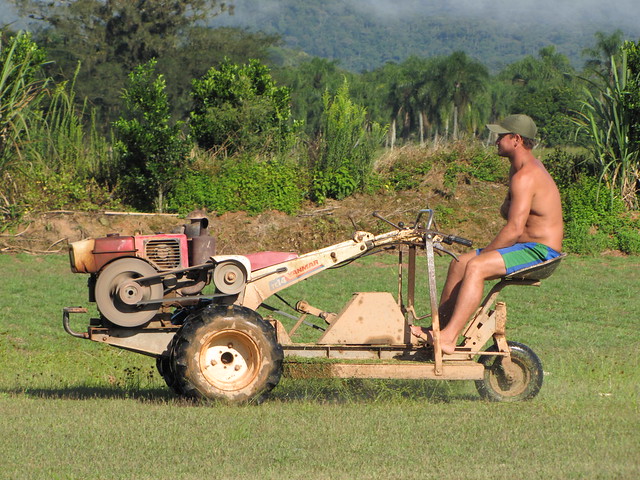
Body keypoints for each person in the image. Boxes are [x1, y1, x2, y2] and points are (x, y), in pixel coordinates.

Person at [411, 114, 563, 354]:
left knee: (476, 267)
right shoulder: (518, 169)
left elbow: (513, 229)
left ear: (516, 139)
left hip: (540, 251)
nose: (496, 140)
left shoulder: (525, 176)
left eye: (501, 136)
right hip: (523, 247)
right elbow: (511, 216)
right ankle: (437, 329)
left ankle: (449, 338)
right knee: (460, 263)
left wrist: (484, 256)